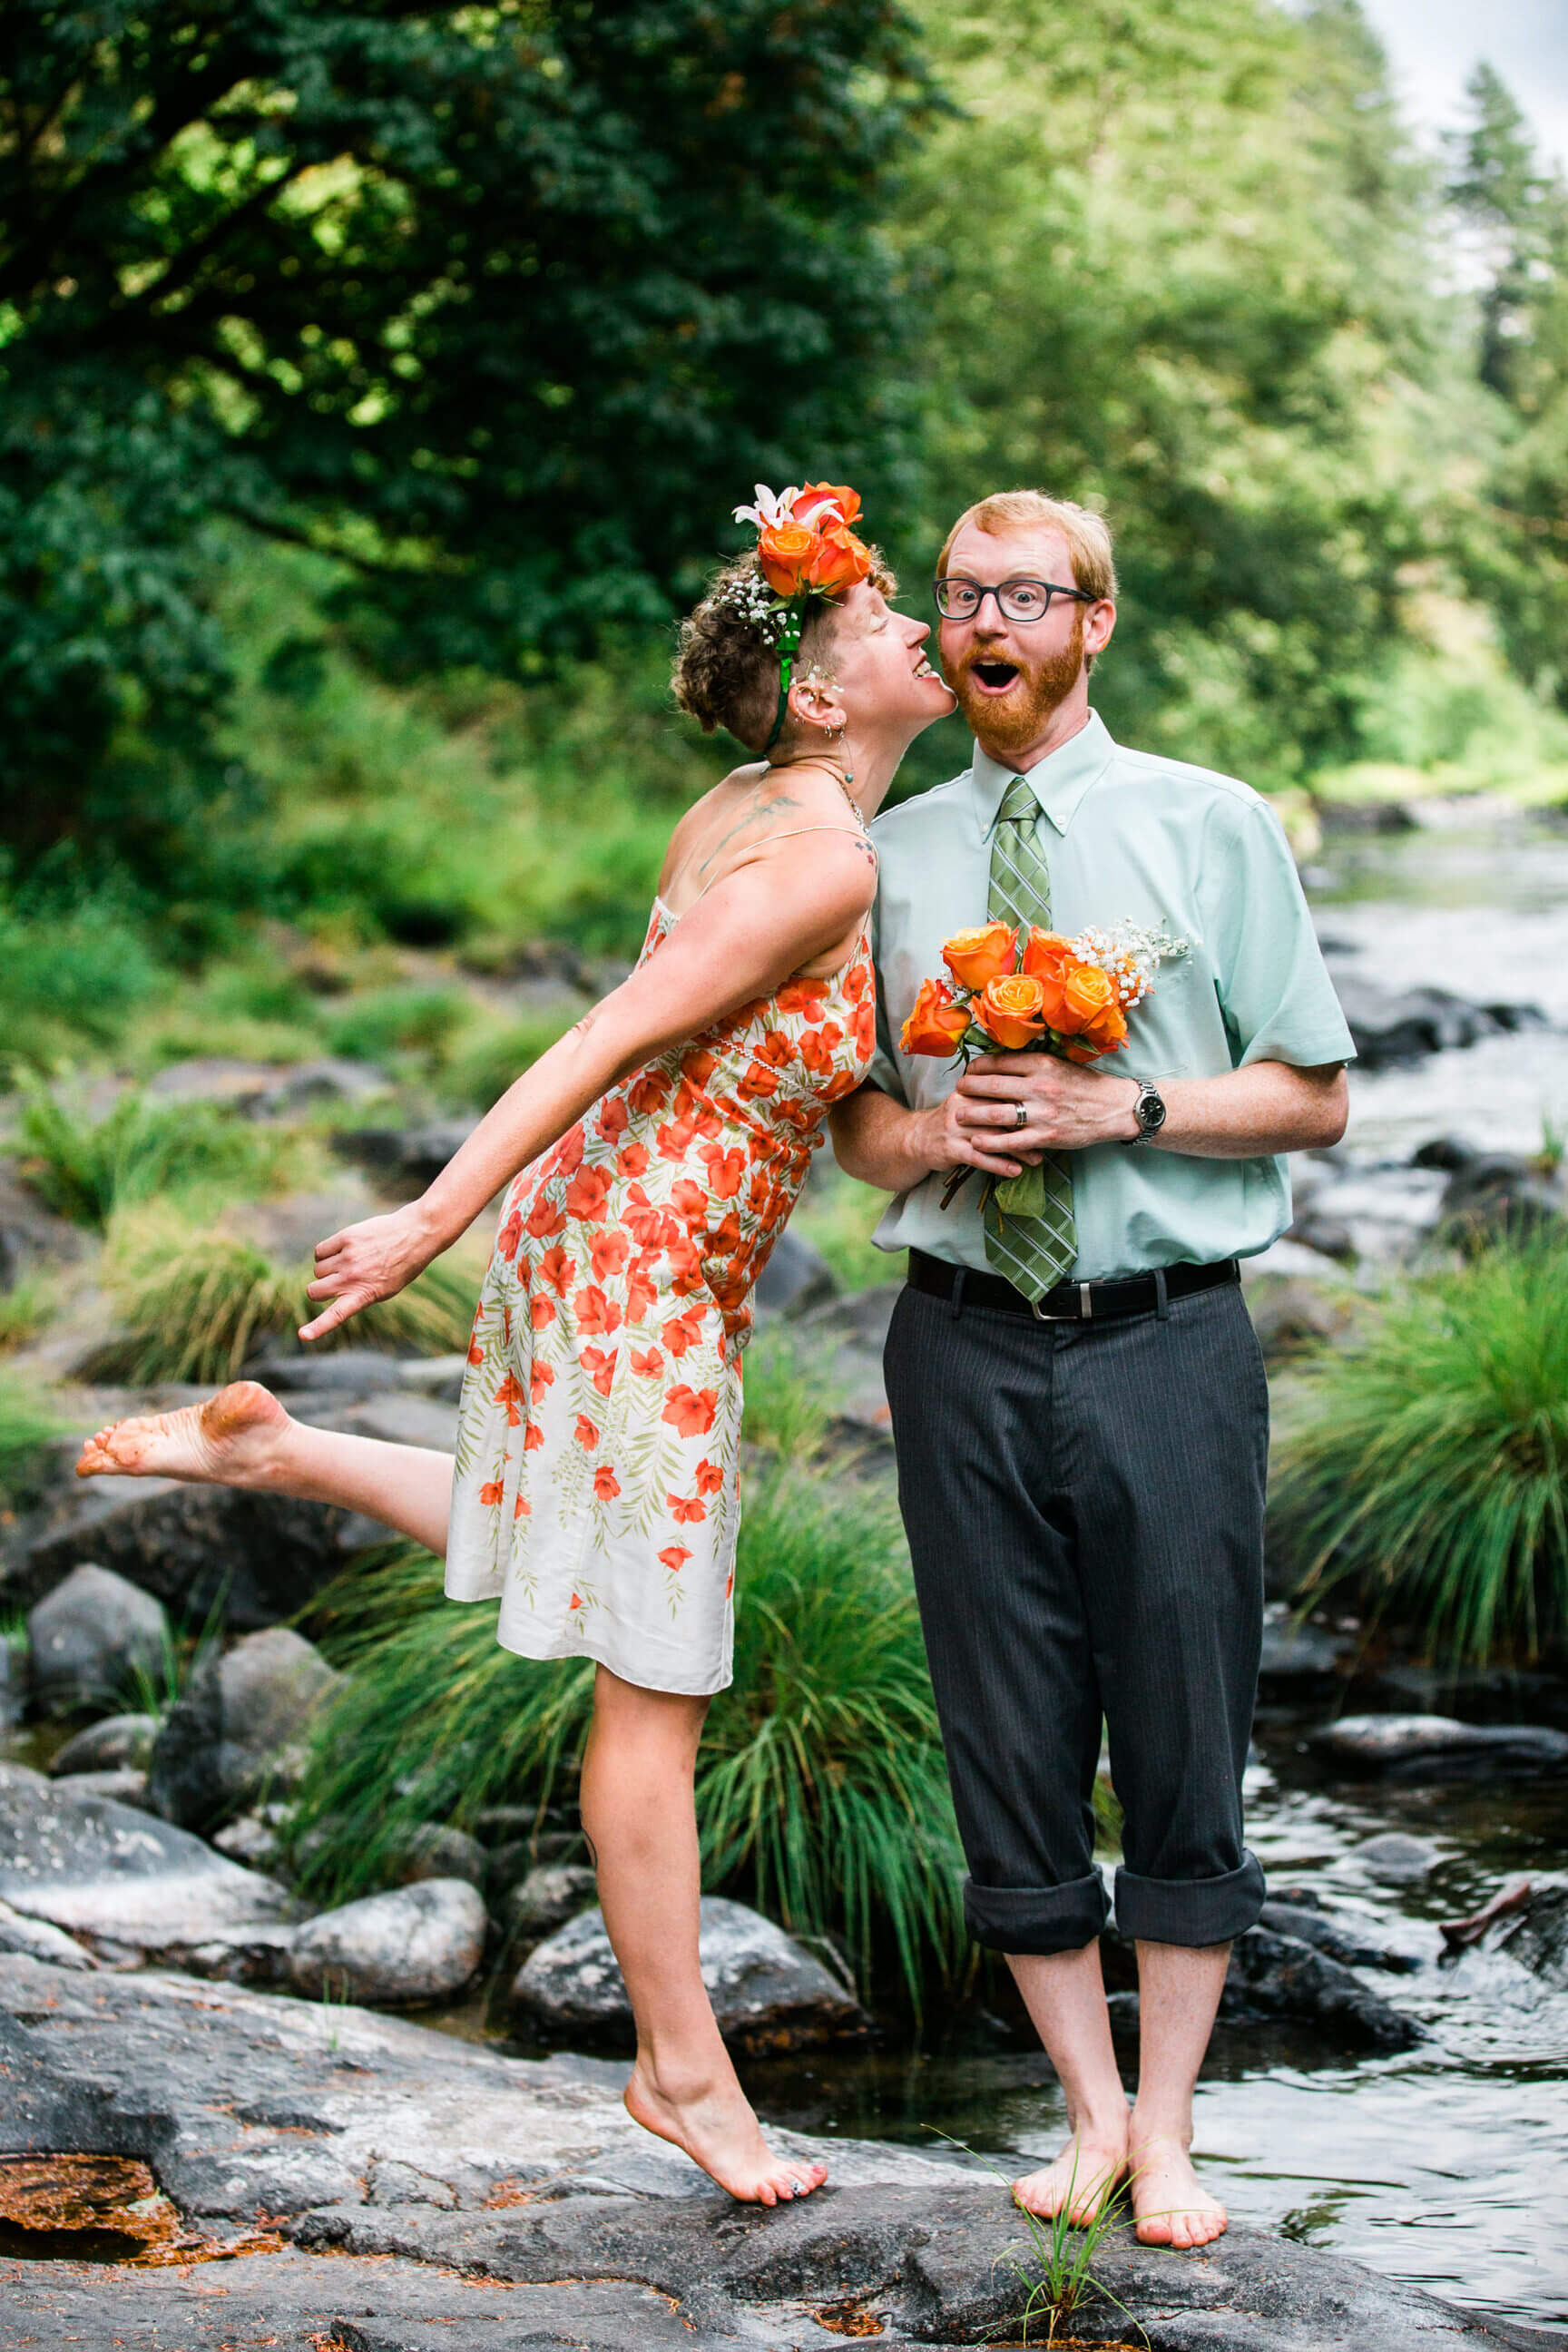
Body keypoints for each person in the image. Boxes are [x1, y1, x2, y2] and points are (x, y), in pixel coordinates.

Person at [75, 482, 956, 2207]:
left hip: (612, 1239)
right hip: (630, 1261)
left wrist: (930, 1129)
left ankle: (277, 1451)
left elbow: (775, 1067)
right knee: (660, 1682)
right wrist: (429, 1211)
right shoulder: (827, 852)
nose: (916, 624)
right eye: (875, 621)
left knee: (565, 1525)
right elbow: (618, 1025)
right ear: (834, 696)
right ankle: (684, 2074)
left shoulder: (751, 804)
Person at [829, 489, 1355, 2249]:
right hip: (962, 1345)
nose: (991, 624)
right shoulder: (884, 854)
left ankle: (1180, 2135)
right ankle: (1090, 2114)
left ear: (1094, 623)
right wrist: (927, 1138)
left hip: (1169, 1343)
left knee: (1189, 1724)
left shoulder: (1211, 827)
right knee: (1007, 1732)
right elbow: (854, 1133)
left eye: (1028, 596)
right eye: (966, 595)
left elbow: (1314, 1090)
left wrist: (1113, 1104)